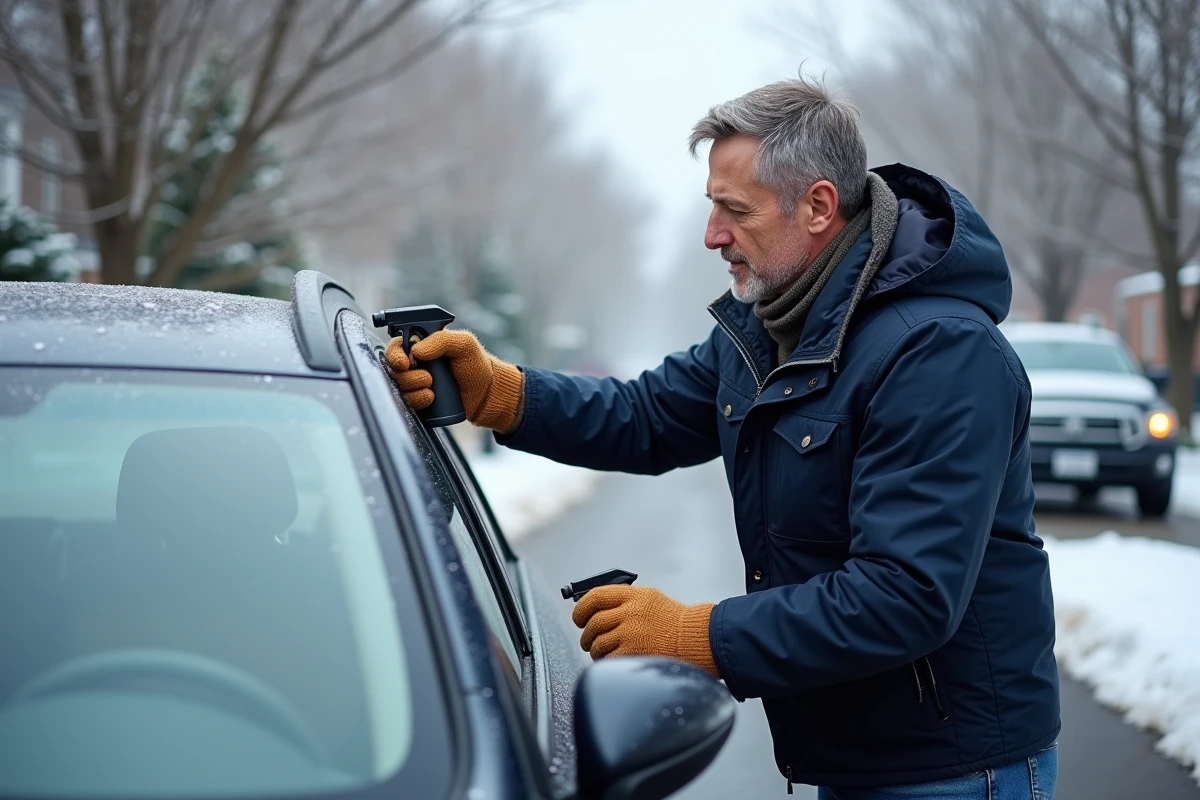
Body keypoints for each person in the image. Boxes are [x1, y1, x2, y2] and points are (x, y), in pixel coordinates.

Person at [386, 76, 1060, 799]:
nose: (713, 235)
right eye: (712, 206)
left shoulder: (938, 354)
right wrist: (502, 393)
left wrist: (696, 637)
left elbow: (906, 595)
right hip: (856, 754)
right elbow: (644, 417)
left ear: (819, 206)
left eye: (733, 211)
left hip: (954, 769)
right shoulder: (771, 328)